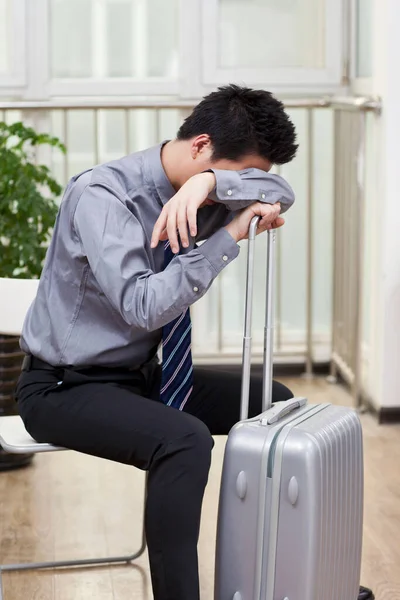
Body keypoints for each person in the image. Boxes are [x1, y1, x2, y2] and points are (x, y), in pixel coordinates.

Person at [15, 85, 298, 599]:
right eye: (229, 174)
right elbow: (143, 306)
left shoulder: (209, 183)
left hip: (141, 375)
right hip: (61, 387)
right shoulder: (104, 197)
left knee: (272, 403)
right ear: (200, 143)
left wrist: (211, 181)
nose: (233, 192)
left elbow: (280, 192)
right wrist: (227, 236)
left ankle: (275, 578)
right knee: (184, 439)